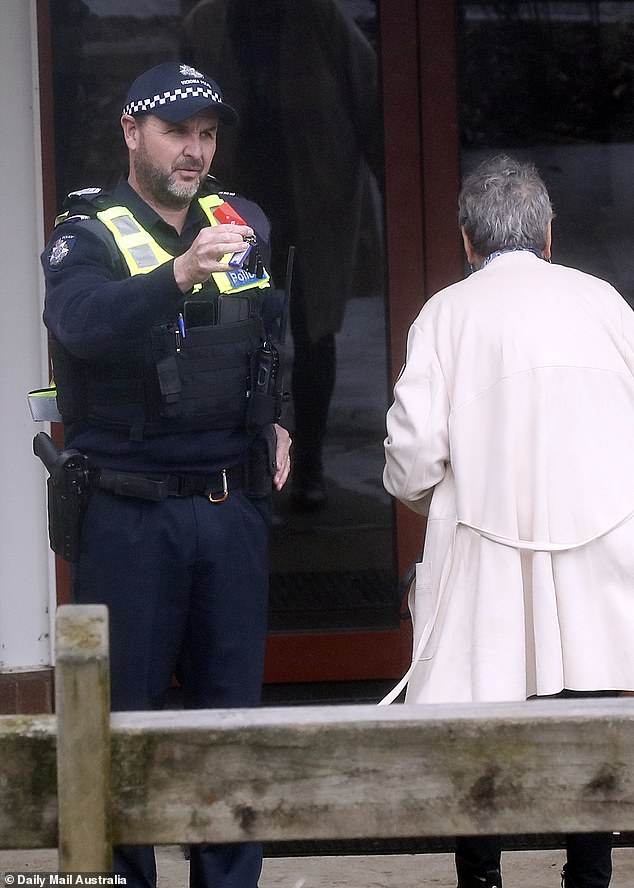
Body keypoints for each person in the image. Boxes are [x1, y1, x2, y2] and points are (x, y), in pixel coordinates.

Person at [41, 62, 291, 888]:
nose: (194, 150)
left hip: (230, 509)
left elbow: (270, 333)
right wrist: (178, 272)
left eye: (207, 134)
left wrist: (280, 415)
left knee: (231, 732)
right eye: (176, 131)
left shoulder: (241, 217)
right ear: (131, 133)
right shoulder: (88, 234)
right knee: (119, 734)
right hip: (129, 516)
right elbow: (81, 323)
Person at [381, 156, 634, 888]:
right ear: (549, 234)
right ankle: (590, 876)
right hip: (603, 544)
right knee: (589, 710)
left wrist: (451, 500)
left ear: (467, 240)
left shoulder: (447, 314)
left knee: (478, 716)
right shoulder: (606, 303)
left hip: (485, 548)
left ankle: (481, 878)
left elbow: (412, 459)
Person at [181, 0, 384, 510]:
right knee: (240, 333)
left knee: (315, 333)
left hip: (314, 205)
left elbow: (375, 109)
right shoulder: (205, 25)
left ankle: (310, 465)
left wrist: (400, 201)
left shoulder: (320, 19)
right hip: (235, 210)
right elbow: (176, 120)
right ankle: (246, 466)